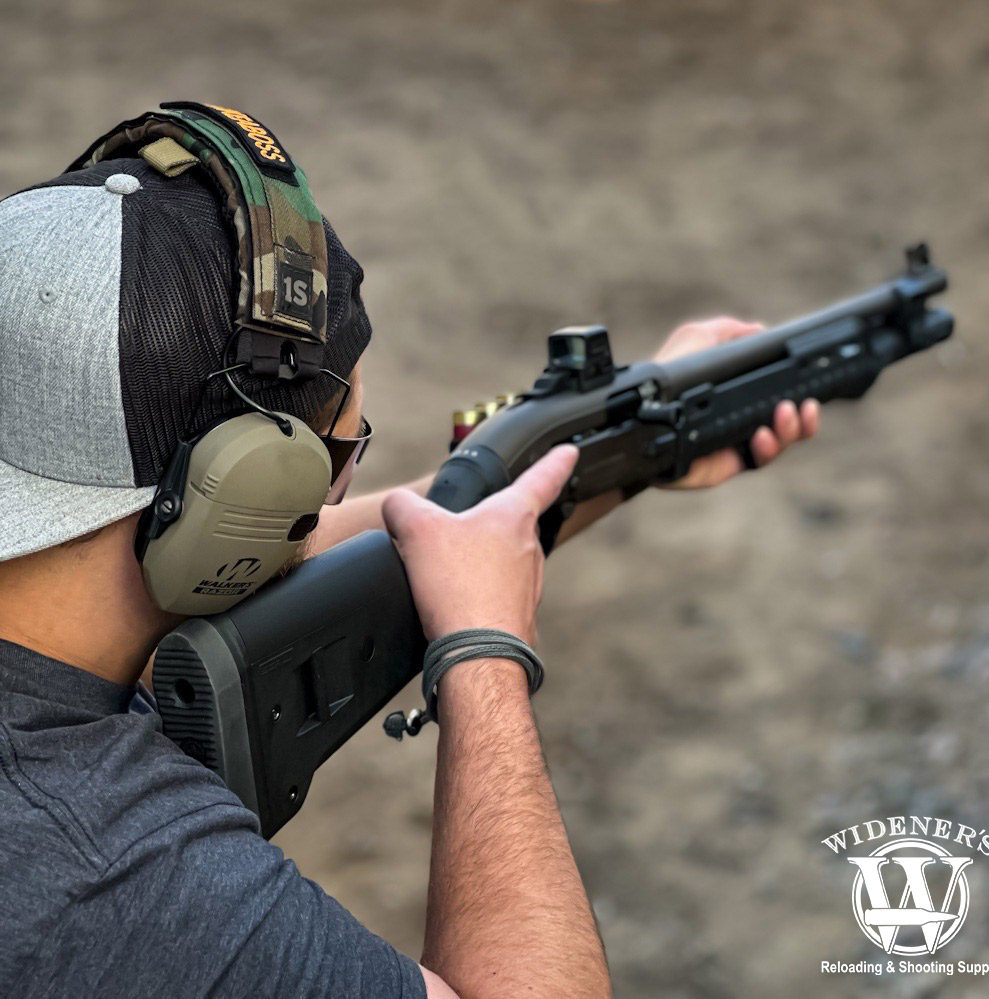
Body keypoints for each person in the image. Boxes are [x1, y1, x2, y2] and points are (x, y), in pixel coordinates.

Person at [0, 142, 818, 999]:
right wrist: (484, 650)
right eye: (339, 454)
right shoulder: (114, 874)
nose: (331, 494)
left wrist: (626, 440)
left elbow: (340, 540)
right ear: (232, 500)